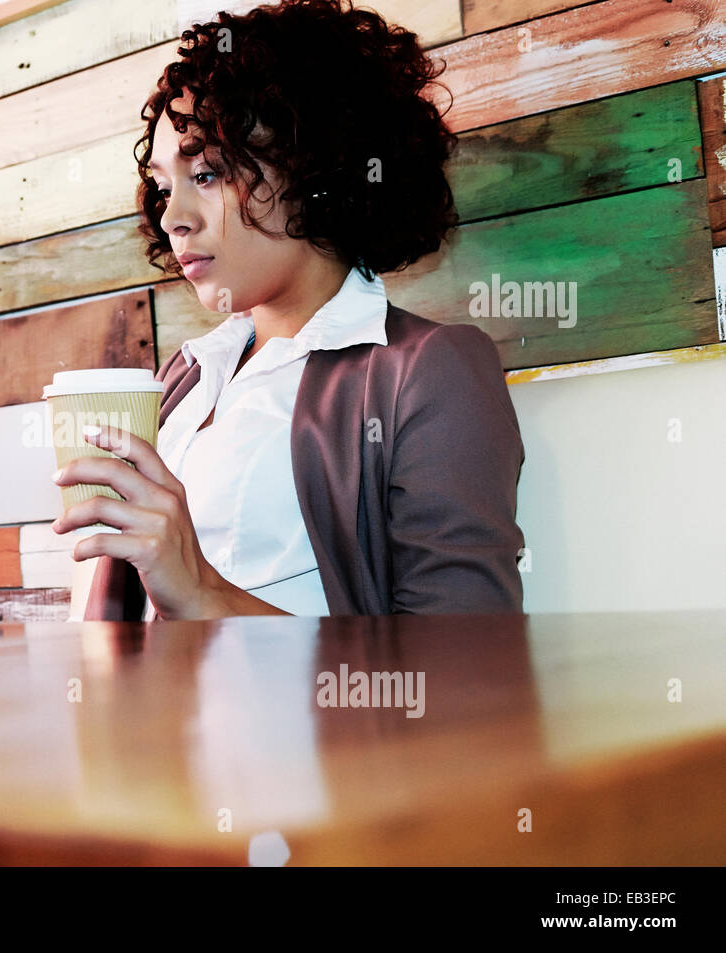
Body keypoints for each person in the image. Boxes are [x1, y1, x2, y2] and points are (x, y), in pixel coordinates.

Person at [61, 0, 527, 621]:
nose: (173, 218)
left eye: (207, 172)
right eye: (165, 187)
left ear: (316, 166)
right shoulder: (187, 374)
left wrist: (202, 592)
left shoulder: (426, 370)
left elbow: (464, 667)